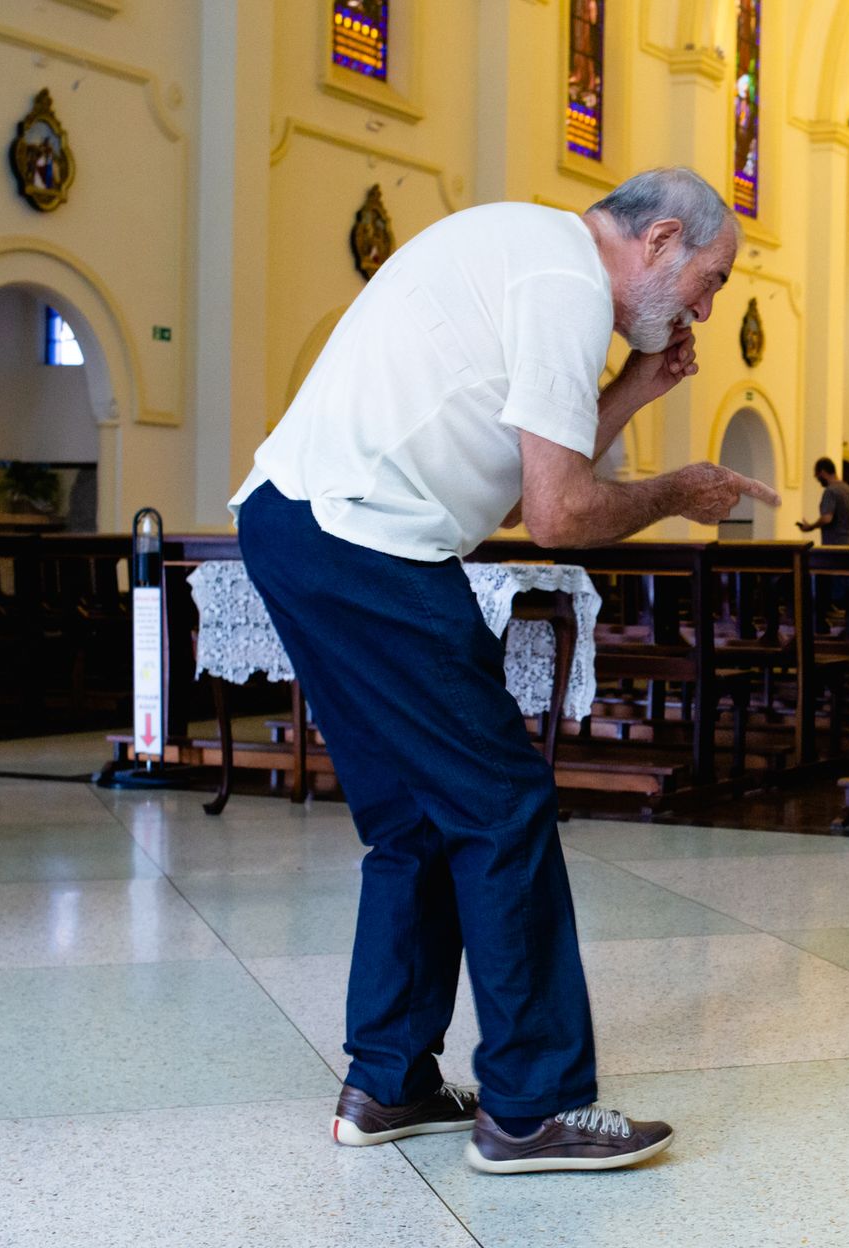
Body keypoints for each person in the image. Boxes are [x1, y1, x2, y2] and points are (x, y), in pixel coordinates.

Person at [230, 168, 779, 1172]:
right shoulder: (567, 284)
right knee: (501, 803)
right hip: (369, 543)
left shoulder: (533, 252)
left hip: (295, 524)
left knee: (416, 818)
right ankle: (535, 1104)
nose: (706, 306)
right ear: (661, 239)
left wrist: (635, 388)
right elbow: (559, 515)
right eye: (711, 278)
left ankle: (388, 1079)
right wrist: (676, 492)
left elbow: (529, 479)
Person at [796, 456, 849, 634]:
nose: (817, 479)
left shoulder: (831, 491)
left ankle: (820, 625)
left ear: (823, 472)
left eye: (817, 475)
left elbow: (827, 518)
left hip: (834, 547)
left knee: (820, 583)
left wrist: (810, 527)